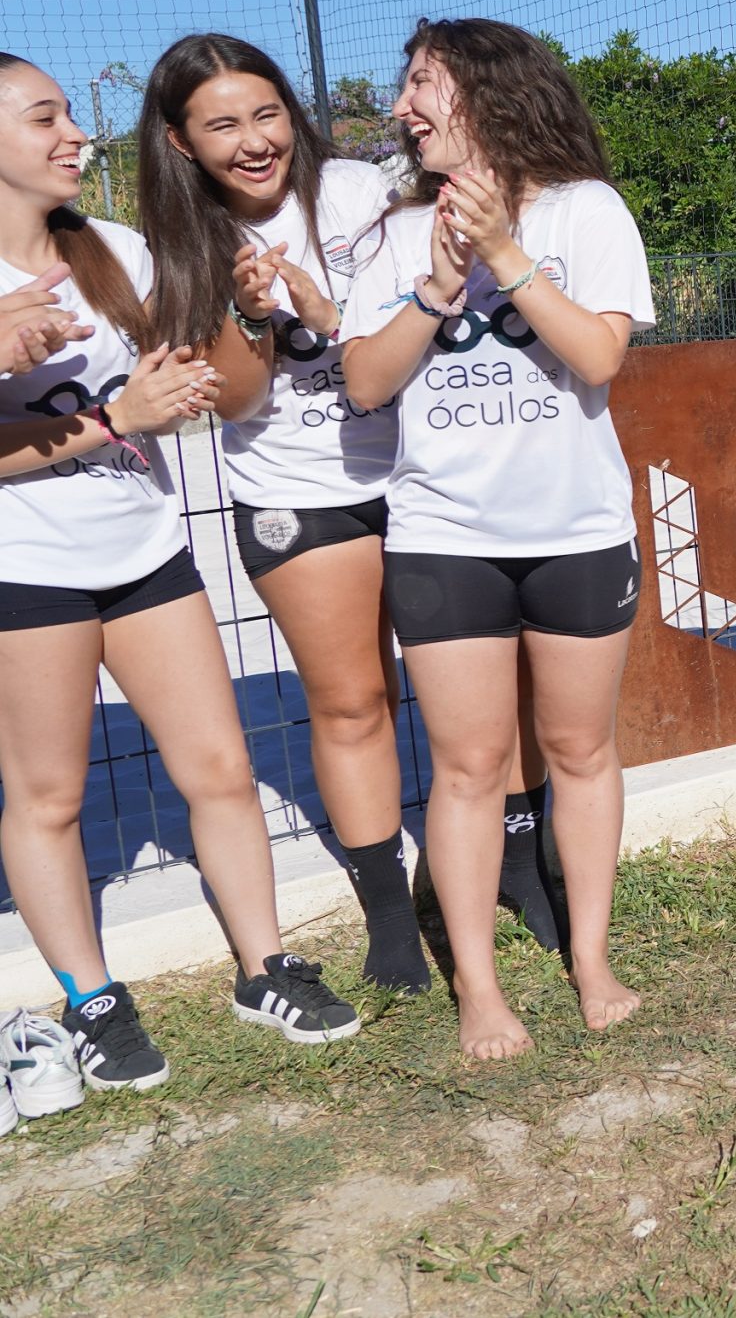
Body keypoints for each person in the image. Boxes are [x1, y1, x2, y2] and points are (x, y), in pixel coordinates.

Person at [0, 53, 360, 1088]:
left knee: (220, 769)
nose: (76, 136)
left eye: (71, 116)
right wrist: (111, 417)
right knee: (48, 799)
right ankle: (92, 998)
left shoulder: (114, 252)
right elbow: (113, 416)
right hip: (27, 569)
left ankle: (267, 966)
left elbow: (222, 389)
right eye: (45, 119)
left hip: (147, 551)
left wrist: (247, 320)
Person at [341, 18, 654, 1060]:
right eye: (404, 89)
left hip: (577, 534)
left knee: (579, 750)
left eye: (421, 85)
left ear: (486, 93)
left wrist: (507, 255)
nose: (401, 109)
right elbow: (366, 385)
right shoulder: (391, 234)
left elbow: (598, 359)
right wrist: (436, 286)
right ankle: (478, 987)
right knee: (470, 767)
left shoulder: (585, 209)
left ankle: (593, 959)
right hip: (444, 539)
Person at [132, 33, 434, 994]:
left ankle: (513, 864)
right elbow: (235, 402)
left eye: (266, 113)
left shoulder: (355, 191)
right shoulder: (180, 247)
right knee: (353, 701)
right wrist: (256, 315)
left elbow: (430, 303)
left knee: (470, 684)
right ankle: (392, 913)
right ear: (181, 143)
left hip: (430, 473)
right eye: (222, 124)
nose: (255, 140)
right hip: (299, 495)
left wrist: (325, 304)